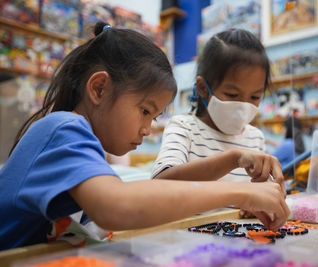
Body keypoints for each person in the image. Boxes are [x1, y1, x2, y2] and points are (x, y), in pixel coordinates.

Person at [0, 23, 289, 250]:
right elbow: (117, 206)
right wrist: (241, 193)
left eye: (154, 117)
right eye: (145, 111)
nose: (148, 129)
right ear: (99, 89)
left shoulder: (79, 140)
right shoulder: (64, 128)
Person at [151, 28, 286, 216]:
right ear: (202, 88)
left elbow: (253, 198)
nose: (243, 106)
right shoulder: (184, 128)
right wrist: (233, 159)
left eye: (255, 96)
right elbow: (159, 184)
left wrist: (260, 203)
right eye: (232, 95)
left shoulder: (256, 138)